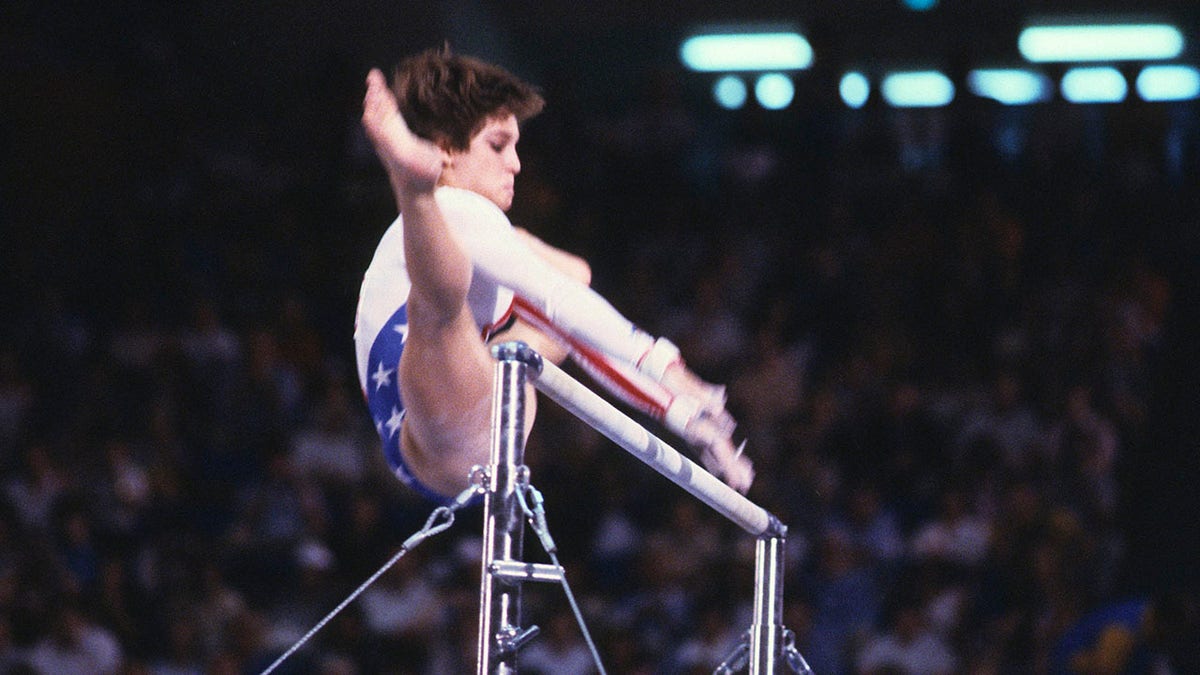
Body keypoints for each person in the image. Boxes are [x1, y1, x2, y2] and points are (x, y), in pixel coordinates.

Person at [354, 47, 752, 503]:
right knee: (445, 309)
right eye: (499, 146)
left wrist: (684, 416)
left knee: (562, 283)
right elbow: (554, 296)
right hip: (430, 415)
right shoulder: (458, 207)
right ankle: (412, 189)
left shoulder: (491, 237)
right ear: (445, 150)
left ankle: (415, 192)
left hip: (461, 428)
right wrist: (667, 368)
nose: (516, 165)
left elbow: (567, 307)